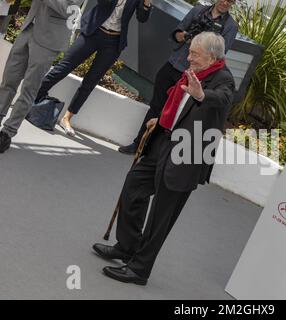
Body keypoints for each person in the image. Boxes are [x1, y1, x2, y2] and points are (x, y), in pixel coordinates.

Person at [93, 32, 235, 285]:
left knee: (160, 216)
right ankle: (126, 247)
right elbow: (182, 105)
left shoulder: (223, 79)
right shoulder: (194, 71)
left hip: (187, 154)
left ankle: (139, 270)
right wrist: (162, 119)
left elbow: (222, 100)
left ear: (212, 57)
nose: (188, 57)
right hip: (164, 141)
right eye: (190, 51)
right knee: (134, 187)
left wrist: (201, 95)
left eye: (194, 54)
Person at [118, 0, 238, 154]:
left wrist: (204, 43)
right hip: (173, 65)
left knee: (175, 114)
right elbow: (176, 35)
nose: (225, 2)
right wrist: (188, 36)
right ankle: (139, 145)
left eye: (230, 0)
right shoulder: (198, 11)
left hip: (193, 76)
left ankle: (156, 153)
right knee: (156, 107)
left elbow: (219, 55)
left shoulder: (230, 26)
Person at [35, 0, 152, 136]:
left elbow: (142, 18)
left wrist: (147, 3)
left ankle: (67, 118)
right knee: (64, 67)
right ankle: (33, 96)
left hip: (114, 42)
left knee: (91, 81)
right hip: (93, 32)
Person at [0, 0, 84, 154]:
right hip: (28, 27)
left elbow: (68, 9)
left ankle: (7, 133)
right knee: (8, 80)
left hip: (49, 39)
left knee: (29, 88)